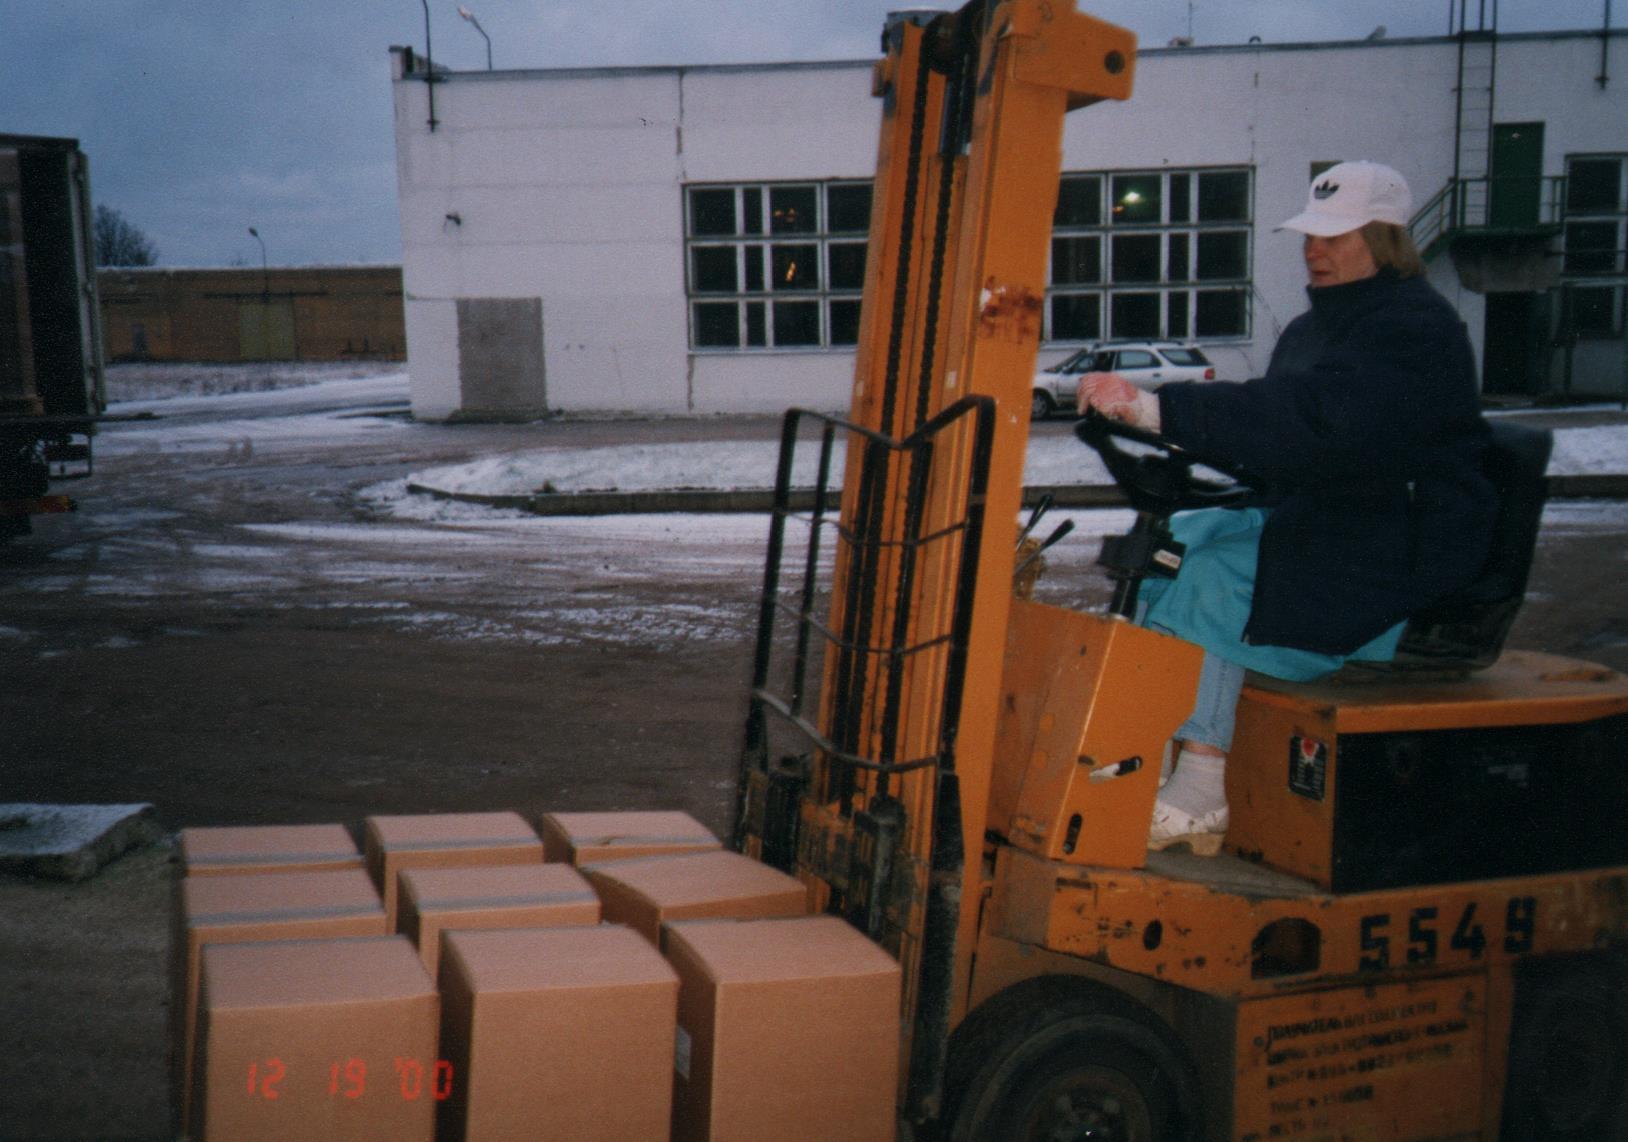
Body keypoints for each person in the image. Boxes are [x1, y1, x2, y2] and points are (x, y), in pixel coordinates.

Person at [1078, 160, 1496, 852]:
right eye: (1310, 235)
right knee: (1171, 544)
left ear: (1386, 238)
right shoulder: (1320, 326)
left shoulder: (1413, 328)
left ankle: (1203, 788)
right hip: (1338, 512)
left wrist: (1168, 408)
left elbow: (1314, 419)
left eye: (1336, 237)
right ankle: (1145, 753)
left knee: (1218, 577)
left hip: (1405, 539)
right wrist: (1154, 430)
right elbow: (1282, 438)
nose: (1314, 250)